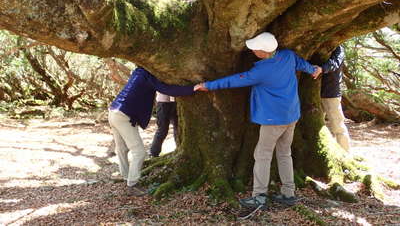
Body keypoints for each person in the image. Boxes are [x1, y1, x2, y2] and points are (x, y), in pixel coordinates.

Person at [196, 32, 322, 212]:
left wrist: (208, 85)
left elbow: (234, 81)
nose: (253, 50)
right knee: (284, 154)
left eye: (255, 48)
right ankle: (288, 193)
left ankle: (259, 196)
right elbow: (302, 64)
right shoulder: (287, 56)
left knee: (262, 155)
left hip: (273, 120)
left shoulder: (261, 71)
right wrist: (313, 69)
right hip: (291, 115)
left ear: (263, 52)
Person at [108, 67, 194, 196]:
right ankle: (132, 184)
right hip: (123, 115)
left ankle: (126, 176)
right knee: (139, 152)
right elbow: (169, 90)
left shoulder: (138, 72)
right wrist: (193, 88)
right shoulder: (148, 76)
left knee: (122, 149)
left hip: (113, 111)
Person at [321, 45, 351, 152]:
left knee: (338, 126)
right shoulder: (319, 46)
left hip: (331, 93)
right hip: (316, 93)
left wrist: (322, 69)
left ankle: (346, 155)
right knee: (318, 125)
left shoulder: (339, 49)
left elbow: (334, 63)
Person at [149, 92, 178, 157]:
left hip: (175, 102)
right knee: (162, 129)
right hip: (163, 103)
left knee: (178, 127)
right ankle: (154, 153)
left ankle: (179, 148)